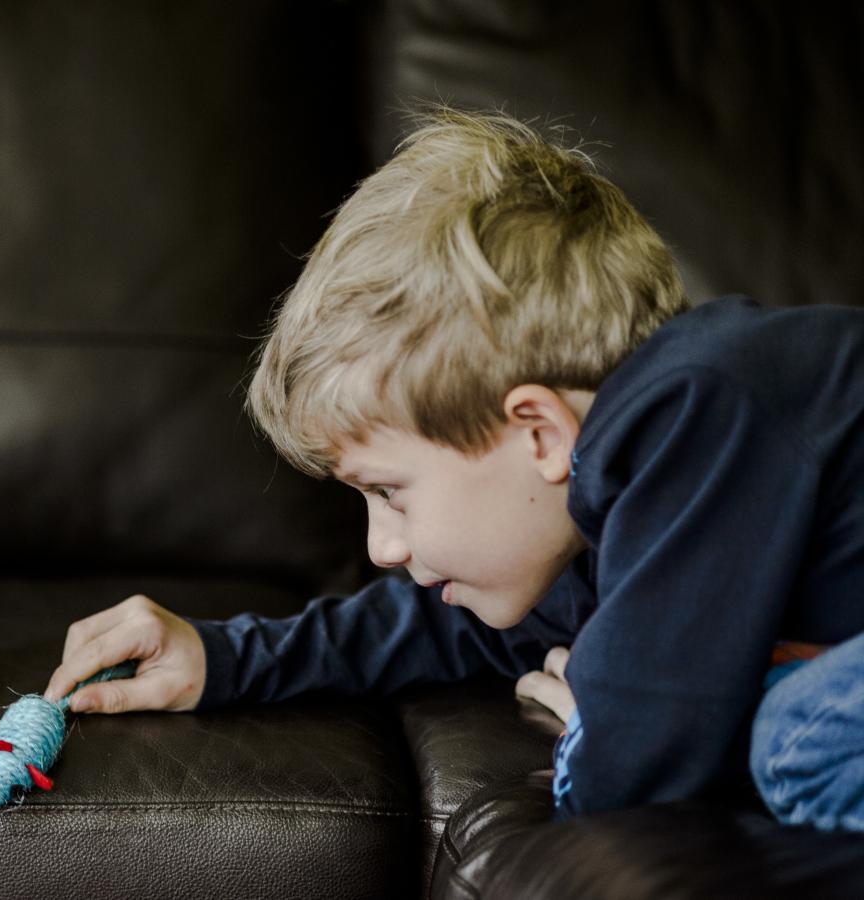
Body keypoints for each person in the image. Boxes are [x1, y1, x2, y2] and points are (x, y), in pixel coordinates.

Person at [44, 109, 864, 831]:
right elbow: (444, 624)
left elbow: (630, 775)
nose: (381, 547)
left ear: (537, 431)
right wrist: (223, 658)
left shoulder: (692, 408)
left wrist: (607, 725)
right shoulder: (586, 521)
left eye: (388, 492)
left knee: (789, 740)